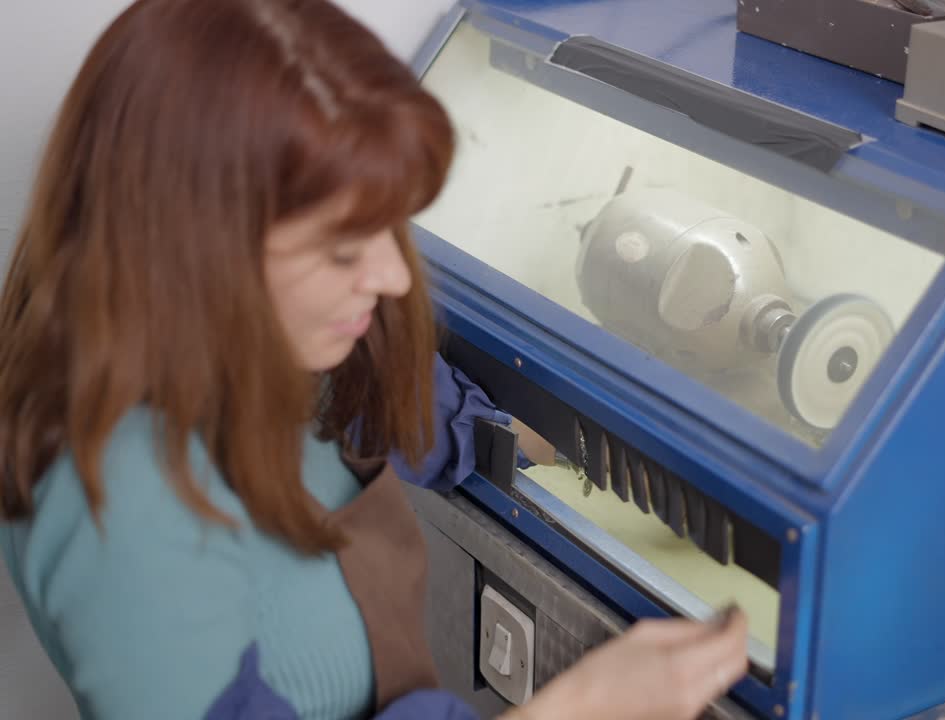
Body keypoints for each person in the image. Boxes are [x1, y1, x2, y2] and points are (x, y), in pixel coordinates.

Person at [0, 1, 749, 718]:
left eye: (395, 225)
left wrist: (561, 444)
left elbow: (395, 411)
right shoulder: (119, 493)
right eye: (343, 248)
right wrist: (588, 707)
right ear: (199, 252)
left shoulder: (274, 347)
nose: (394, 278)